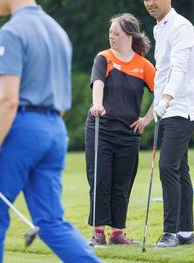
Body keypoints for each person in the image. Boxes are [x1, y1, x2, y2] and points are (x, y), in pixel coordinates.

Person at [0, 0, 102, 263]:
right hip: (55, 131)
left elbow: (8, 99)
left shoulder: (11, 32)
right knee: (51, 221)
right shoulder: (56, 30)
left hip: (23, 128)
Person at [136, 0, 194, 248]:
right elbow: (162, 72)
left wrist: (165, 98)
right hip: (166, 109)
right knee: (180, 170)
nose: (150, 3)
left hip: (181, 109)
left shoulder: (181, 27)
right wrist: (157, 107)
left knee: (167, 168)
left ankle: (170, 232)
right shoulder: (159, 28)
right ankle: (186, 232)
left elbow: (179, 67)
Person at [85, 13, 155, 246]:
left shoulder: (143, 65)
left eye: (116, 33)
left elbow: (163, 91)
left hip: (128, 134)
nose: (111, 36)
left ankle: (116, 234)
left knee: (122, 183)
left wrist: (146, 119)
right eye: (110, 32)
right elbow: (98, 83)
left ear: (129, 36)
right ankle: (98, 233)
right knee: (100, 179)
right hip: (101, 129)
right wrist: (98, 103)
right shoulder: (103, 58)